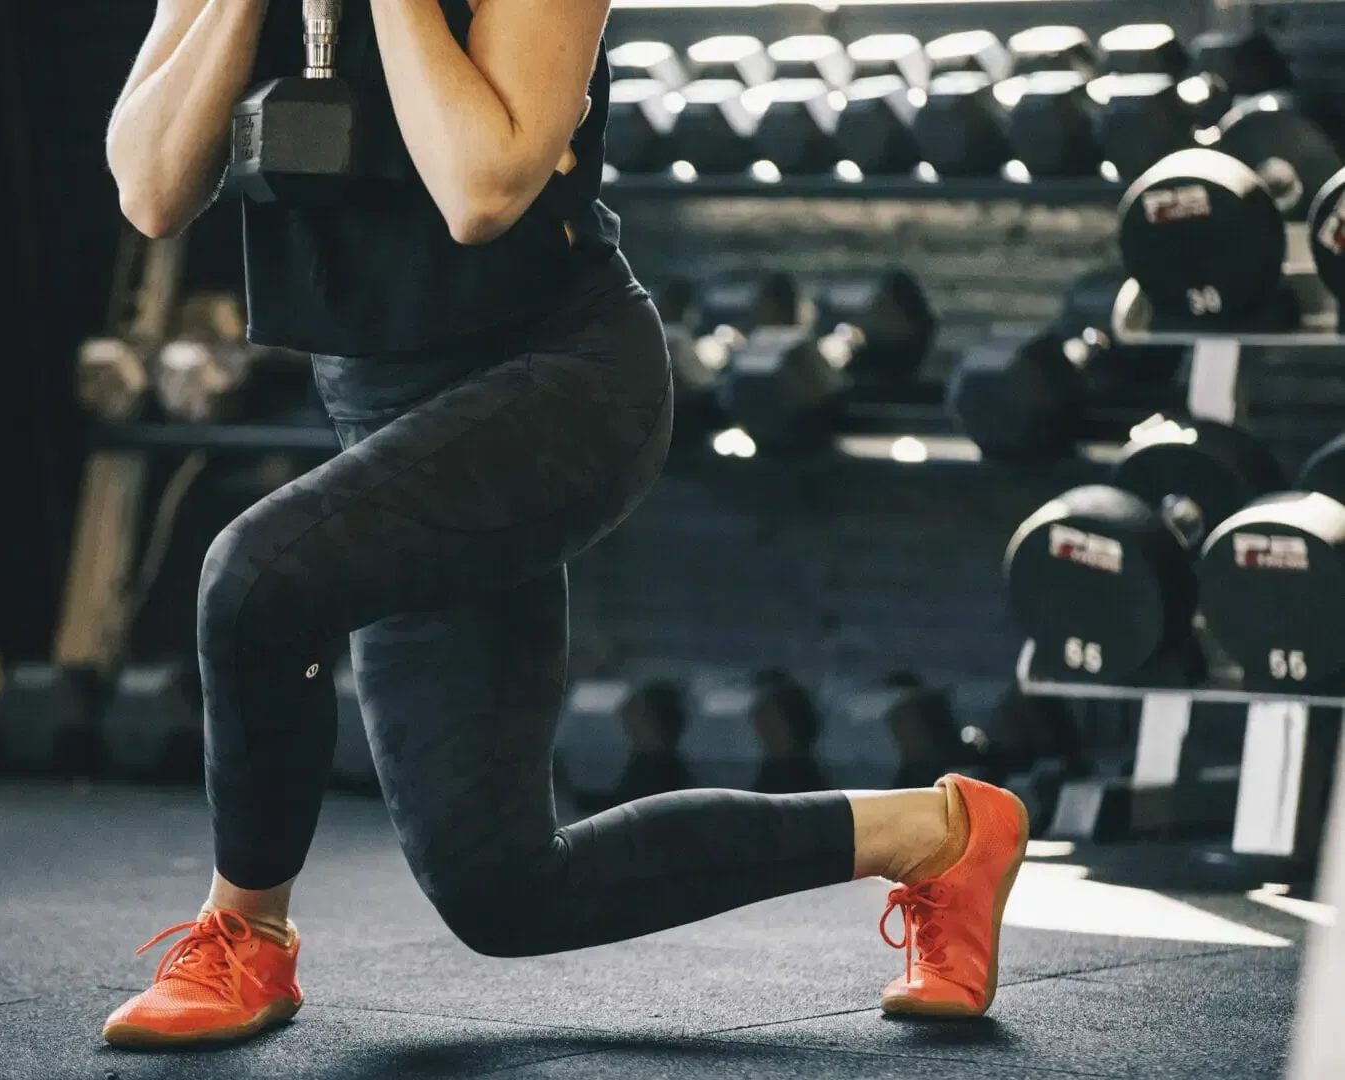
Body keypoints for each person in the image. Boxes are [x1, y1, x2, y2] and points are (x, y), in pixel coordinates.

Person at [100, 0, 1029, 1049]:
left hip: (560, 386)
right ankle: (940, 834)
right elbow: (150, 190)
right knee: (502, 892)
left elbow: (480, 192)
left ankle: (245, 937)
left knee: (256, 578)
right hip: (391, 419)